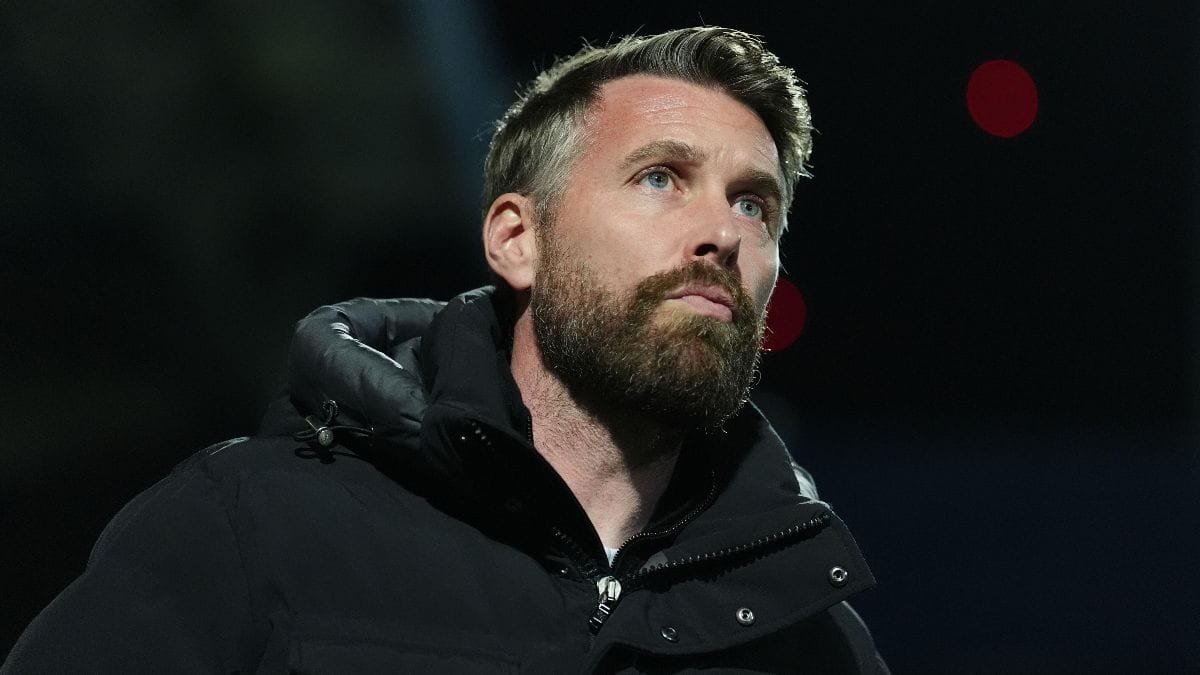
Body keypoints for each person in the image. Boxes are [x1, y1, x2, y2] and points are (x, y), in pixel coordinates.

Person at [4, 27, 887, 673]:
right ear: (516, 240)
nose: (723, 232)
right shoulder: (256, 527)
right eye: (661, 177)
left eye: (753, 204)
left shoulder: (808, 632)